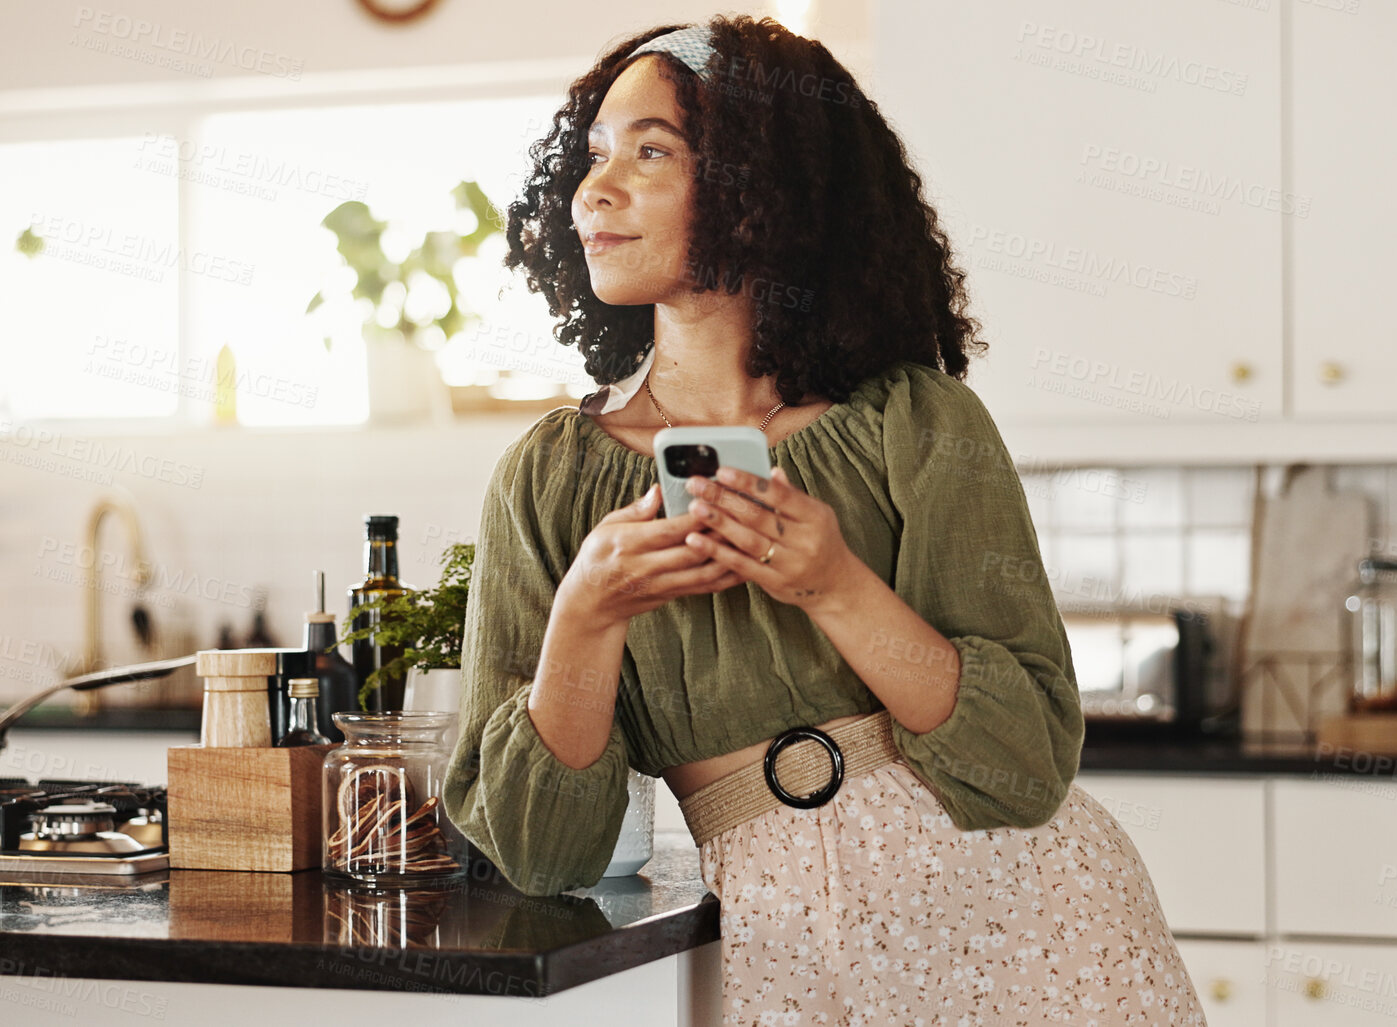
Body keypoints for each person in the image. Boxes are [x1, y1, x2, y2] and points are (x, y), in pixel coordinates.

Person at [443, 15, 1207, 1025]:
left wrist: (836, 587)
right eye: (593, 156)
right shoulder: (548, 480)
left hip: (1027, 916)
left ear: (764, 188)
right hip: (775, 953)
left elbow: (1023, 766)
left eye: (652, 150)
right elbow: (544, 855)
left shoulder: (918, 423)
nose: (596, 189)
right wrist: (587, 610)